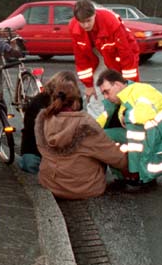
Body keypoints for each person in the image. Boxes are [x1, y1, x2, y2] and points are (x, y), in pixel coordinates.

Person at [35, 71, 128, 199]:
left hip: (50, 184)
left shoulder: (43, 119)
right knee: (99, 151)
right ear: (76, 101)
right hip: (83, 188)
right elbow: (115, 158)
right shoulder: (85, 124)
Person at [96, 69, 162, 187]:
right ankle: (122, 175)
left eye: (107, 92)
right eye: (103, 94)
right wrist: (90, 128)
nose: (105, 97)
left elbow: (138, 120)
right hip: (152, 136)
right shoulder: (124, 97)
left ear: (117, 84)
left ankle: (138, 173)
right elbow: (103, 120)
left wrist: (134, 170)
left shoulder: (140, 90)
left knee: (133, 126)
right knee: (102, 135)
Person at [69, 0, 140, 100]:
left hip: (117, 53)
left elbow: (126, 55)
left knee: (122, 91)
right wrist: (88, 85)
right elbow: (81, 59)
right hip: (96, 55)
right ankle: (98, 114)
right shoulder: (74, 28)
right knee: (96, 94)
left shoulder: (111, 23)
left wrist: (129, 83)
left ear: (94, 14)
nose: (85, 25)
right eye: (82, 22)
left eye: (88, 20)